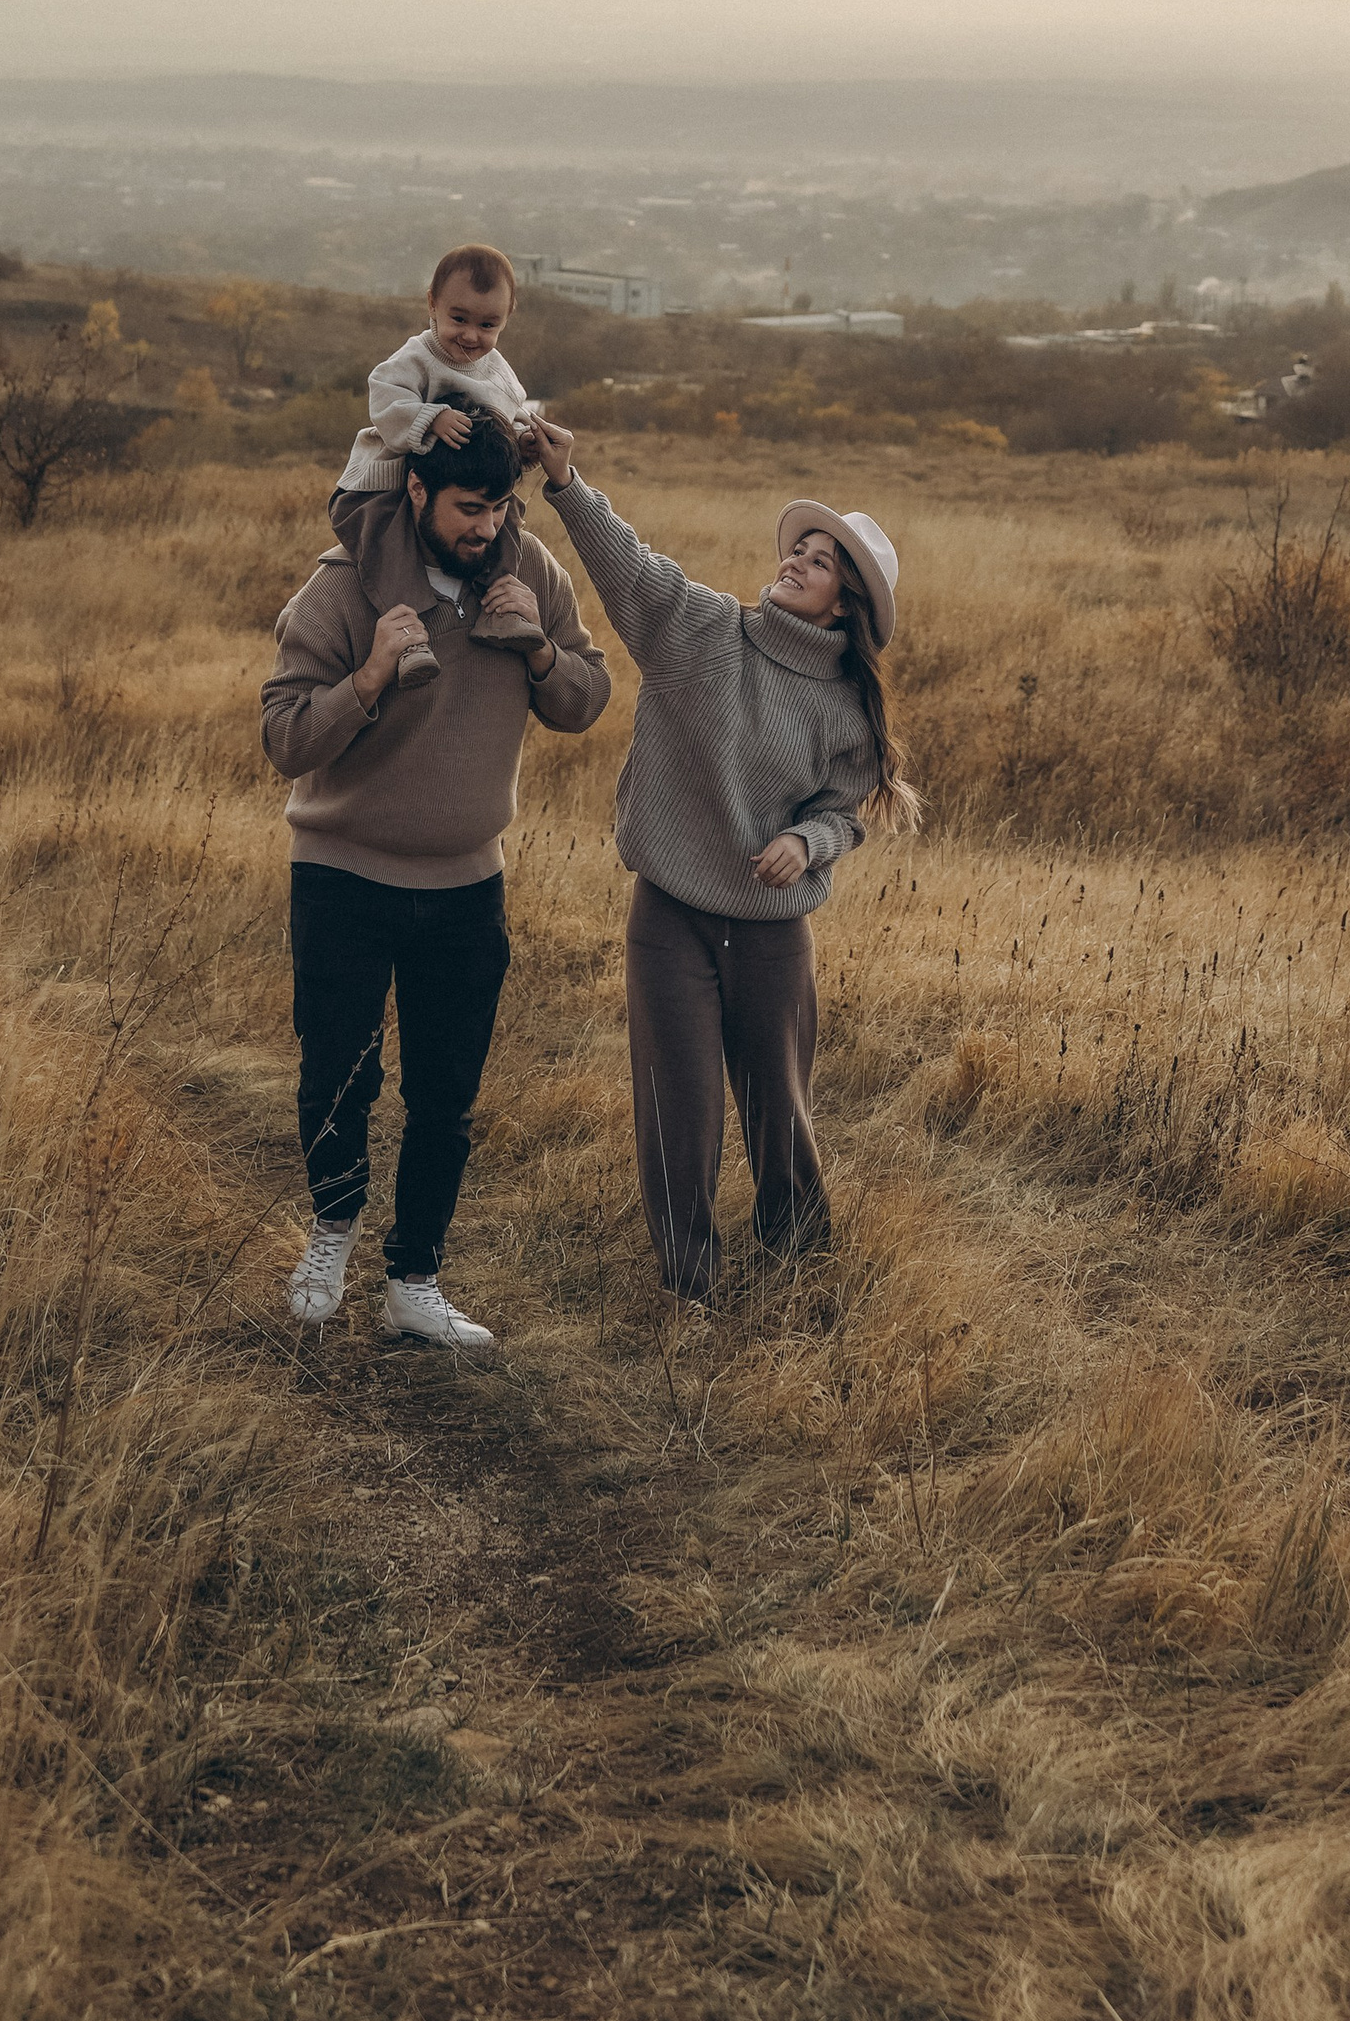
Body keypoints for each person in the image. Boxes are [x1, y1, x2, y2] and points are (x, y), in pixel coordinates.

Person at [528, 411, 921, 1303]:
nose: (796, 562)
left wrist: (804, 840)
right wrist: (563, 483)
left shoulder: (846, 709)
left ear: (845, 603)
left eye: (820, 562)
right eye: (800, 549)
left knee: (779, 1111)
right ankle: (689, 1284)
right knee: (681, 1111)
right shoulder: (702, 632)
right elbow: (631, 566)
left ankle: (799, 1267)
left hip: (774, 936)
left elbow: (846, 812)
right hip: (669, 915)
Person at [260, 411, 609, 1349]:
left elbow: (586, 699)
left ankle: (414, 1281)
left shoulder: (530, 572)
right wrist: (370, 677)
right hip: (342, 876)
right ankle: (330, 1238)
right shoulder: (343, 588)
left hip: (466, 888)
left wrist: (538, 648)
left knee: (446, 1094)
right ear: (414, 491)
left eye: (499, 507)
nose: (485, 527)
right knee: (338, 1076)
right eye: (466, 507)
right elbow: (284, 737)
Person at [333, 243, 540, 684]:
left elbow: (512, 415)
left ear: (506, 320)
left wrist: (521, 444)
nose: (470, 336)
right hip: (382, 486)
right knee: (387, 549)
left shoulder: (498, 372)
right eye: (458, 319)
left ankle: (501, 608)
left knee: (506, 521)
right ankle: (409, 636)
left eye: (488, 324)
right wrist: (430, 416)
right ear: (432, 304)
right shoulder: (418, 357)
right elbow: (384, 398)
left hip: (457, 488)